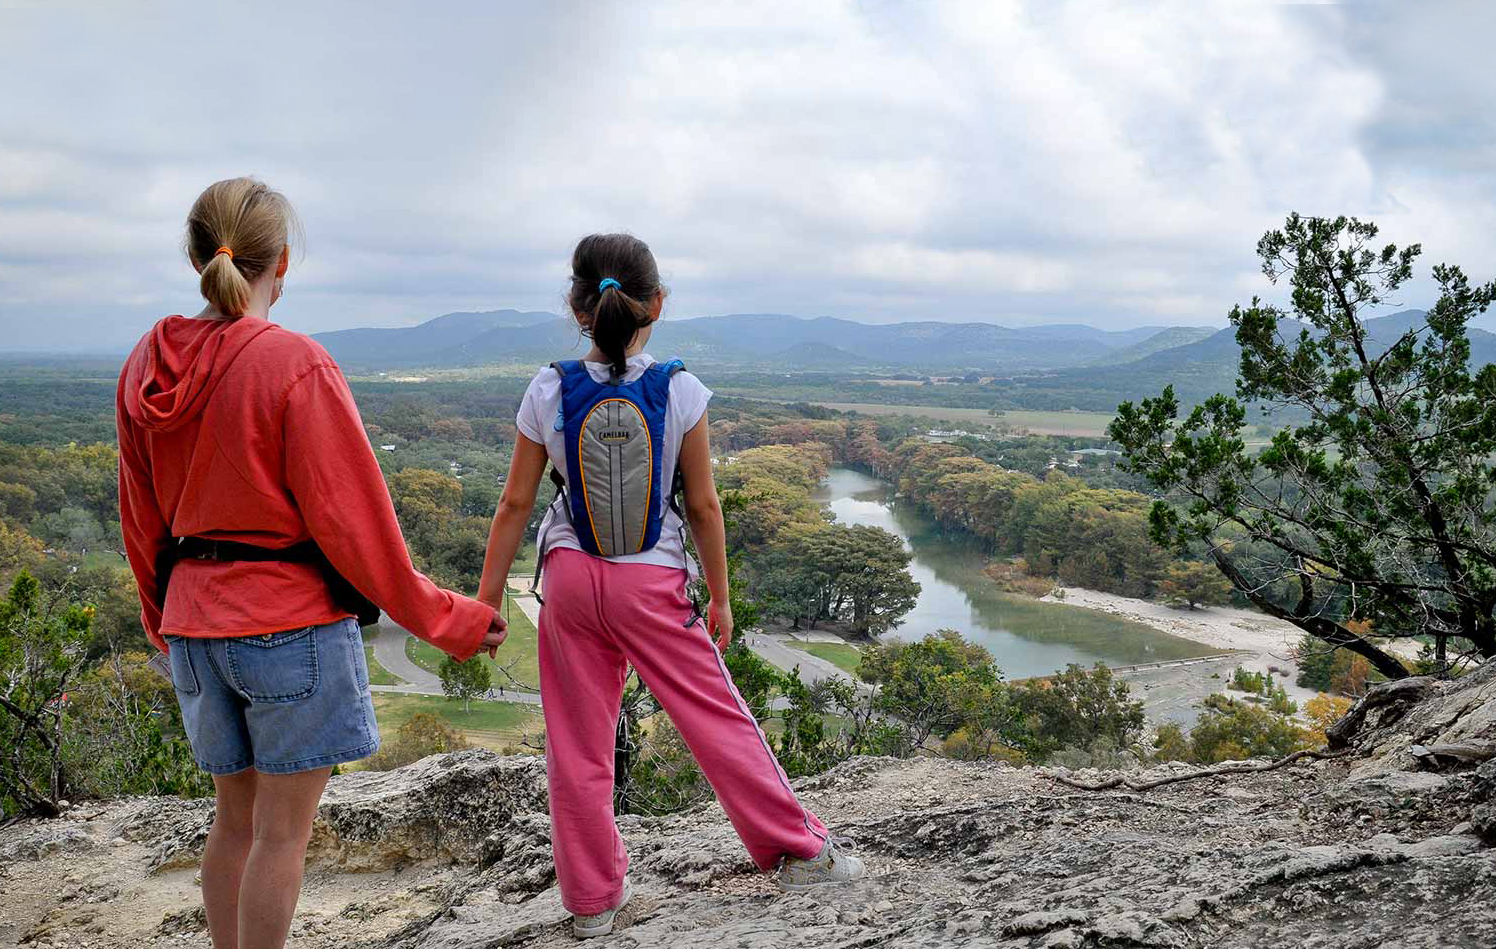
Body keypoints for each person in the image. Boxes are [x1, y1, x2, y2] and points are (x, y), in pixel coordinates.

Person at [116, 177, 506, 949]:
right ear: (282, 263)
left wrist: (161, 620)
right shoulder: (292, 362)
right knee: (281, 835)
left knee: (233, 823)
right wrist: (450, 620)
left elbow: (141, 522)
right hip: (287, 624)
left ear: (198, 256)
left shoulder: (146, 365)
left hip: (193, 621)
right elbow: (357, 528)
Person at [477, 233, 864, 939]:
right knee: (714, 717)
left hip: (568, 580)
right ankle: (798, 851)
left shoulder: (547, 388)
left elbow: (513, 505)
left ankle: (593, 902)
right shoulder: (681, 389)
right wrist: (720, 596)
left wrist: (484, 602)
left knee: (577, 743)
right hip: (651, 581)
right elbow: (705, 506)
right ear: (657, 304)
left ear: (577, 307)